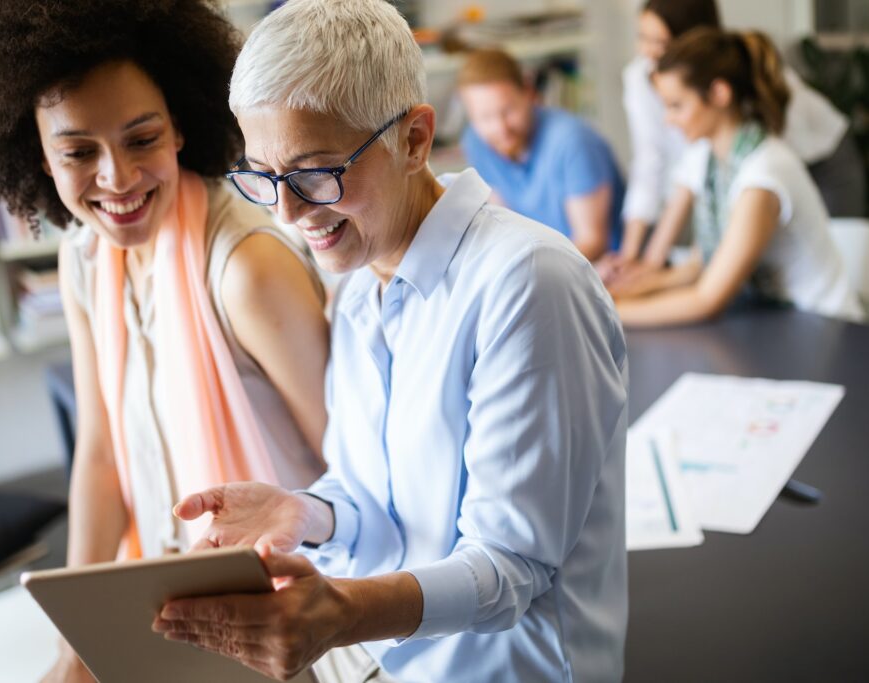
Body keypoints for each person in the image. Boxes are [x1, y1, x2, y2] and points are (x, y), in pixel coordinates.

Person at [150, 1, 629, 682]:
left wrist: (341, 610)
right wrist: (306, 510)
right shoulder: (358, 284)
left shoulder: (527, 282)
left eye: (315, 172)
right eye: (264, 175)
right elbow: (369, 489)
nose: (287, 212)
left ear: (414, 139)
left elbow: (511, 568)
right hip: (402, 664)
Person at [0, 1, 329, 681]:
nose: (115, 179)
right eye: (78, 152)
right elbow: (100, 458)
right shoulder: (84, 260)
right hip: (171, 611)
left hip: (301, 613)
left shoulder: (246, 270)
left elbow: (355, 473)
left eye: (141, 139)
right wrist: (76, 642)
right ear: (38, 155)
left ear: (181, 125)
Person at [612, 28, 863, 328]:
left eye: (677, 106)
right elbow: (700, 263)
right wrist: (623, 292)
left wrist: (609, 313)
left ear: (719, 93)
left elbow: (707, 299)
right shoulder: (712, 161)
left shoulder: (763, 175)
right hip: (777, 321)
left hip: (822, 325)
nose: (669, 119)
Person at [457, 48, 626, 260]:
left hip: (602, 271)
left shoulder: (572, 142)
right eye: (485, 118)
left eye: (508, 111)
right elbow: (504, 227)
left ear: (529, 93)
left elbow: (592, 242)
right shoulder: (476, 142)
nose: (501, 128)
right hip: (541, 264)